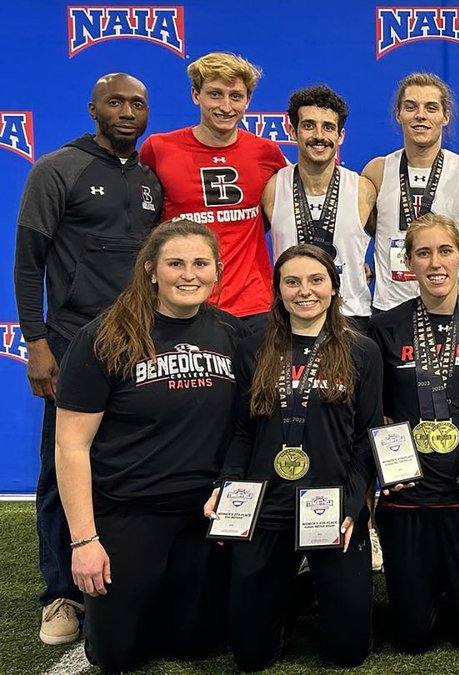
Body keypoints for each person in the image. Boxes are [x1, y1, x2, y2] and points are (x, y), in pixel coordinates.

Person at [54, 219, 245, 673]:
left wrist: (231, 485)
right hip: (129, 510)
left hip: (203, 515)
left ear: (217, 272)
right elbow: (71, 447)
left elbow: (246, 427)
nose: (189, 274)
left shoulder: (233, 334)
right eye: (175, 263)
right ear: (150, 271)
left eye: (201, 264)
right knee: (117, 655)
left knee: (197, 643)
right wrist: (84, 542)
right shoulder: (105, 337)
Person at [13, 72, 161, 645]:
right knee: (61, 468)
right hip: (74, 341)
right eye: (116, 102)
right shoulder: (56, 168)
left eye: (138, 104)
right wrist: (36, 342)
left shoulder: (149, 177)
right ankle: (59, 595)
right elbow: (29, 262)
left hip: (143, 342)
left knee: (131, 462)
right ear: (93, 107)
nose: (128, 111)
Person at [211, 244, 379, 670]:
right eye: (292, 282)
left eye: (316, 280)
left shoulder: (362, 351)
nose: (305, 291)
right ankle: (292, 583)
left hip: (330, 505)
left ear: (334, 288)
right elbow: (242, 431)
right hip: (266, 507)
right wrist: (227, 484)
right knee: (250, 657)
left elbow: (367, 439)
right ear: (278, 291)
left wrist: (353, 505)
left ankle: (306, 580)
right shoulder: (252, 349)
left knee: (349, 653)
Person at [368, 213, 459, 653]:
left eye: (445, 251)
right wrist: (389, 480)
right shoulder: (385, 328)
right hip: (410, 501)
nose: (436, 263)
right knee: (413, 639)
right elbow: (384, 416)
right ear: (409, 263)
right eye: (424, 253)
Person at [141, 52, 288, 329]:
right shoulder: (159, 149)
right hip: (183, 302)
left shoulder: (266, 152)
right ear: (196, 94)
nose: (226, 106)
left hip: (253, 305)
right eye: (215, 94)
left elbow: (286, 211)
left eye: (236, 96)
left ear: (248, 100)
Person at [364, 73, 459, 311]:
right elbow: (366, 227)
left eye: (431, 107)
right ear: (398, 114)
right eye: (411, 107)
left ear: (445, 116)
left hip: (452, 306)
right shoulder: (377, 171)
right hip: (389, 308)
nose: (420, 115)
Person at [263, 84, 373, 331]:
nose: (319, 135)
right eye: (309, 125)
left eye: (328, 127)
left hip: (351, 316)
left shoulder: (363, 189)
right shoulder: (272, 187)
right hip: (290, 318)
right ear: (293, 131)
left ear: (340, 136)